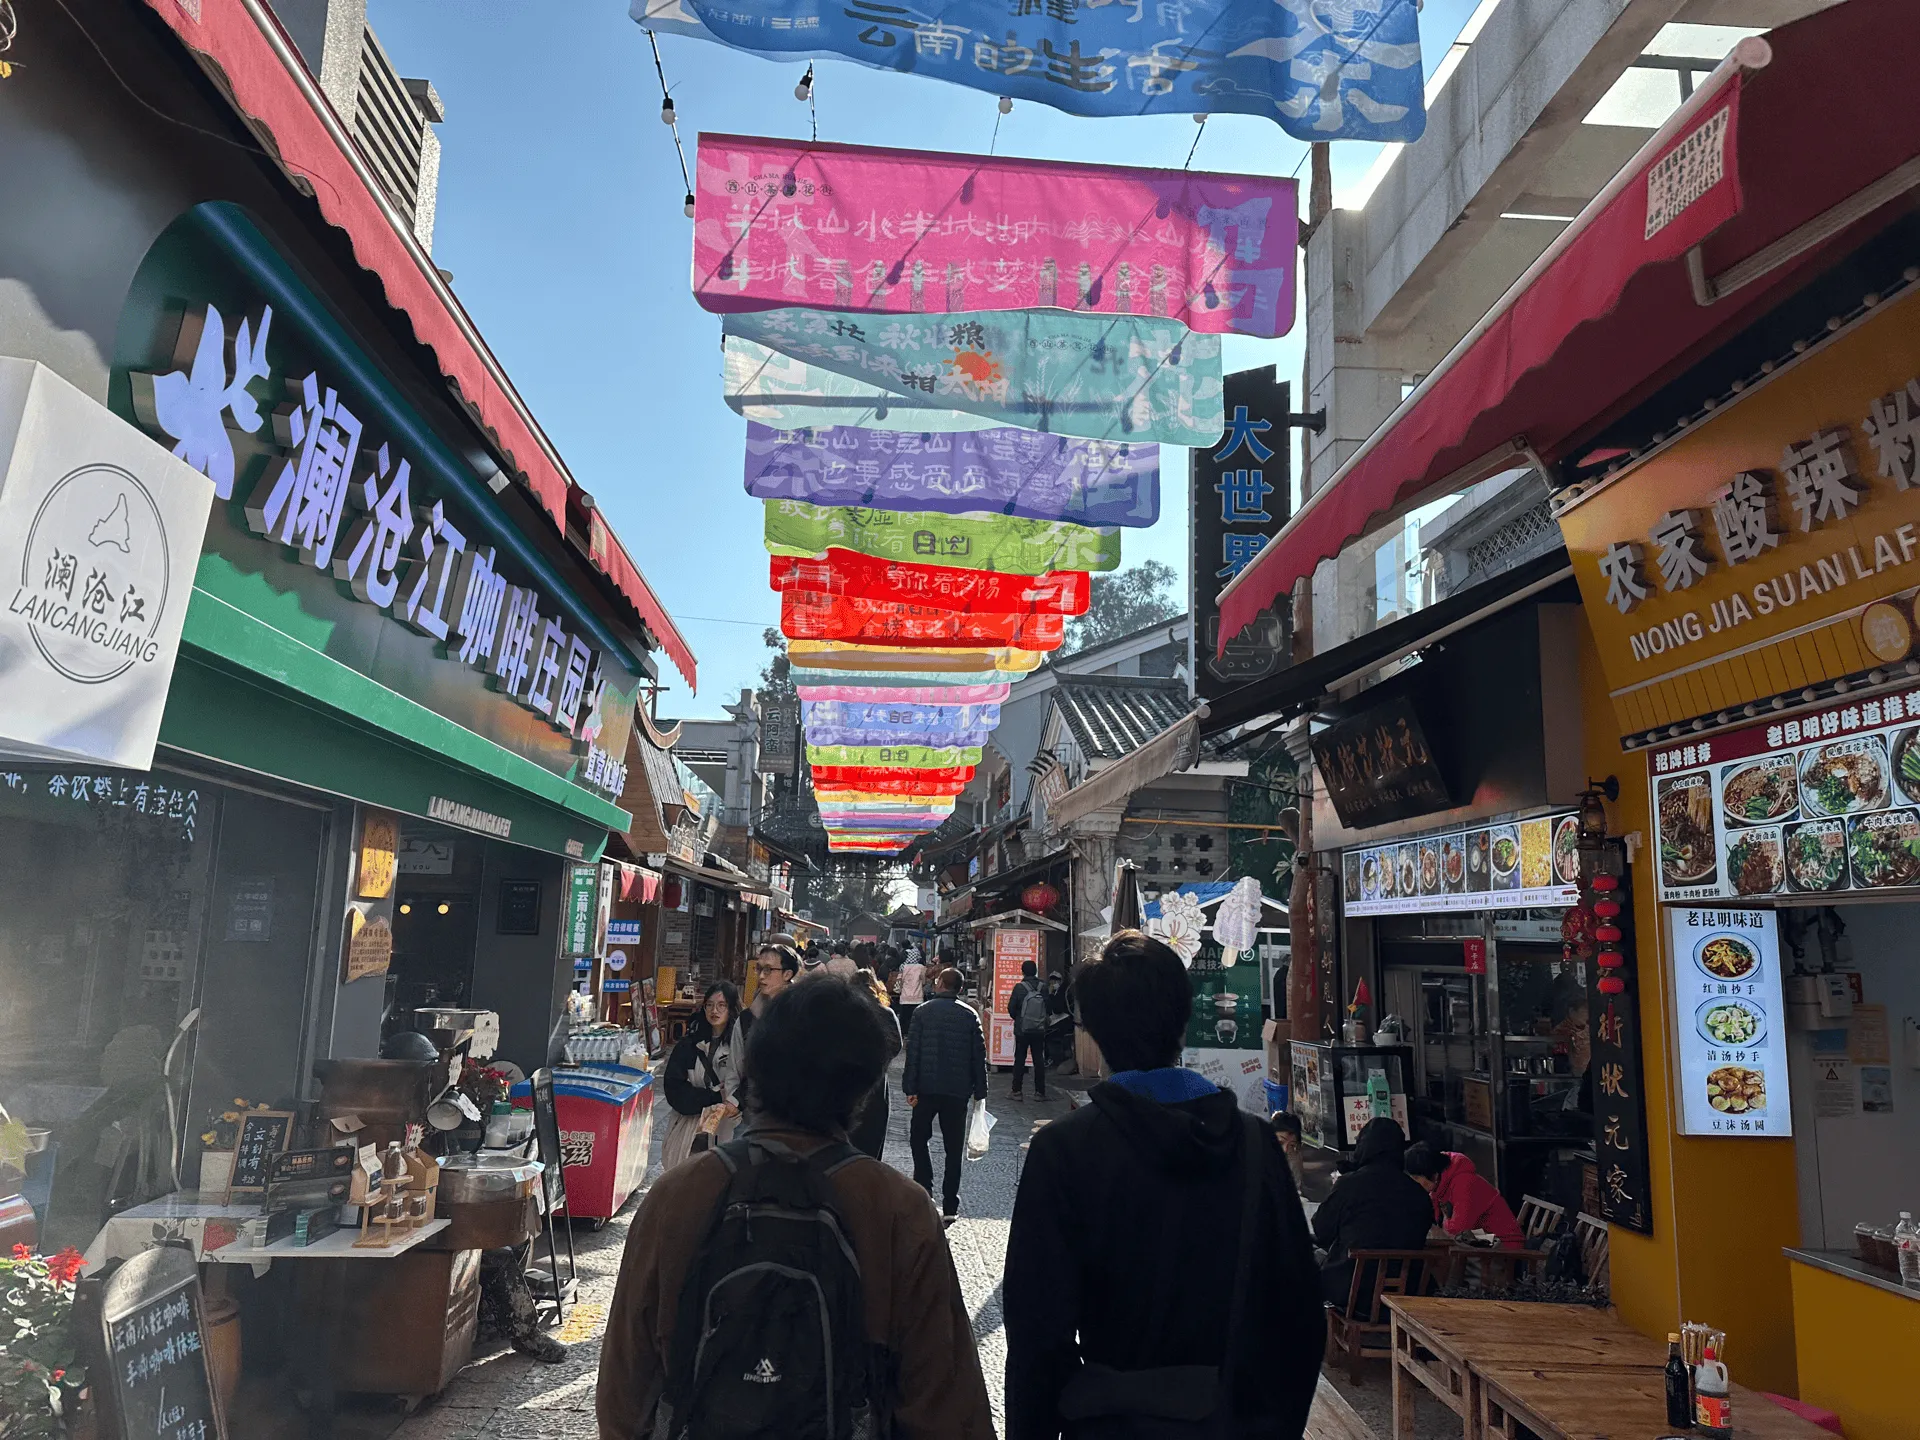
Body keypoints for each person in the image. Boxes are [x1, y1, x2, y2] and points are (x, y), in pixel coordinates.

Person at [597, 977, 995, 1440]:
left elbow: (624, 1392)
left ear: (757, 1070)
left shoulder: (680, 1194)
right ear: (865, 1086)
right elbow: (948, 1408)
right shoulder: (899, 1210)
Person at [1003, 931, 1323, 1440]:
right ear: (1184, 1015)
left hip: (1107, 1423)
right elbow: (1300, 1313)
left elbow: (1037, 1331)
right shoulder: (1255, 1145)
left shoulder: (1064, 1151)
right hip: (1229, 1422)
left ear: (1094, 1030)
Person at [1310, 1116, 1434, 1309]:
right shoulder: (1419, 1193)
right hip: (1406, 1294)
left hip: (1350, 1293)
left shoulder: (1350, 1184)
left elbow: (1321, 1230)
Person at [901, 966, 985, 1224]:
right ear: (959, 988)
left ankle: (924, 1191)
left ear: (939, 984)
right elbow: (978, 1057)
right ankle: (951, 1203)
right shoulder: (970, 1015)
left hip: (926, 1088)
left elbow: (913, 1052)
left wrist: (910, 1087)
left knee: (918, 1138)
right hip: (957, 1090)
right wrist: (980, 1092)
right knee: (953, 1147)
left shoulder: (922, 1013)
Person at [660, 982, 746, 1171]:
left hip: (727, 1126)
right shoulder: (690, 1044)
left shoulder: (740, 1045)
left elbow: (748, 1082)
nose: (714, 1010)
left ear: (732, 1008)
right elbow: (674, 1088)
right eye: (709, 1004)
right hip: (691, 1128)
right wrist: (714, 1098)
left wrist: (731, 1101)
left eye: (721, 1005)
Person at [1404, 1142, 1524, 1248]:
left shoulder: (1464, 1183)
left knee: (1444, 1247)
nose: (1413, 1182)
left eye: (1416, 1177)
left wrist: (1443, 1224)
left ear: (1433, 1174)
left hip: (1501, 1242)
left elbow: (1458, 1229)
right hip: (1478, 1237)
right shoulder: (1442, 1183)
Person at [849, 967, 902, 1161]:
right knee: (873, 1136)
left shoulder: (844, 1011)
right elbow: (897, 1044)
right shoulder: (885, 1012)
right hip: (877, 1082)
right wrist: (881, 1061)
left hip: (845, 1080)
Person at [1006, 958, 1050, 1101]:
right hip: (1039, 1029)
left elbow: (1011, 1008)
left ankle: (1017, 1091)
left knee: (1020, 1059)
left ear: (1023, 971)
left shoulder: (1019, 988)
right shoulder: (1043, 987)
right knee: (1038, 1059)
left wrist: (1019, 1019)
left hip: (1022, 1030)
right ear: (1035, 971)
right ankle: (1040, 1093)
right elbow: (1048, 1007)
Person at [750, 942, 799, 1021]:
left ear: (787, 975)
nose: (761, 976)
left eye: (768, 970)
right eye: (759, 968)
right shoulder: (746, 1018)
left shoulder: (801, 1013)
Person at [1270, 1110, 1307, 1193]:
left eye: (1291, 1145)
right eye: (1280, 1142)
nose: (1285, 1150)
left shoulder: (1293, 1157)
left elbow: (1294, 1189)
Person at [895, 945, 928, 1039]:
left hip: (904, 998)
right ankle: (915, 1035)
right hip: (917, 998)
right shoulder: (921, 967)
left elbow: (899, 982)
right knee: (916, 1018)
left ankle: (904, 1036)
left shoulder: (903, 967)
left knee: (905, 1018)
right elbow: (924, 981)